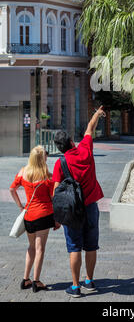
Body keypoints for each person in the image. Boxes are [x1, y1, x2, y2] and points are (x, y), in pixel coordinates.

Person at [52, 106, 106, 298]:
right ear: (72, 142)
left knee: (74, 247)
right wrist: (97, 114)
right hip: (91, 206)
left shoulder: (60, 163)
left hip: (71, 210)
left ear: (59, 148)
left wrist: (56, 218)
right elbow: (90, 128)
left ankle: (75, 287)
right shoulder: (85, 149)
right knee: (91, 245)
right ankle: (89, 280)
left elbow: (56, 191)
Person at [9, 146, 60, 292]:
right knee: (40, 249)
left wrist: (20, 206)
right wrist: (57, 219)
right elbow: (53, 199)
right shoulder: (48, 177)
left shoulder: (23, 172)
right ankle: (36, 281)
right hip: (44, 215)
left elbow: (12, 189)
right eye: (45, 156)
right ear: (42, 159)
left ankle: (26, 279)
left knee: (31, 247)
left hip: (29, 216)